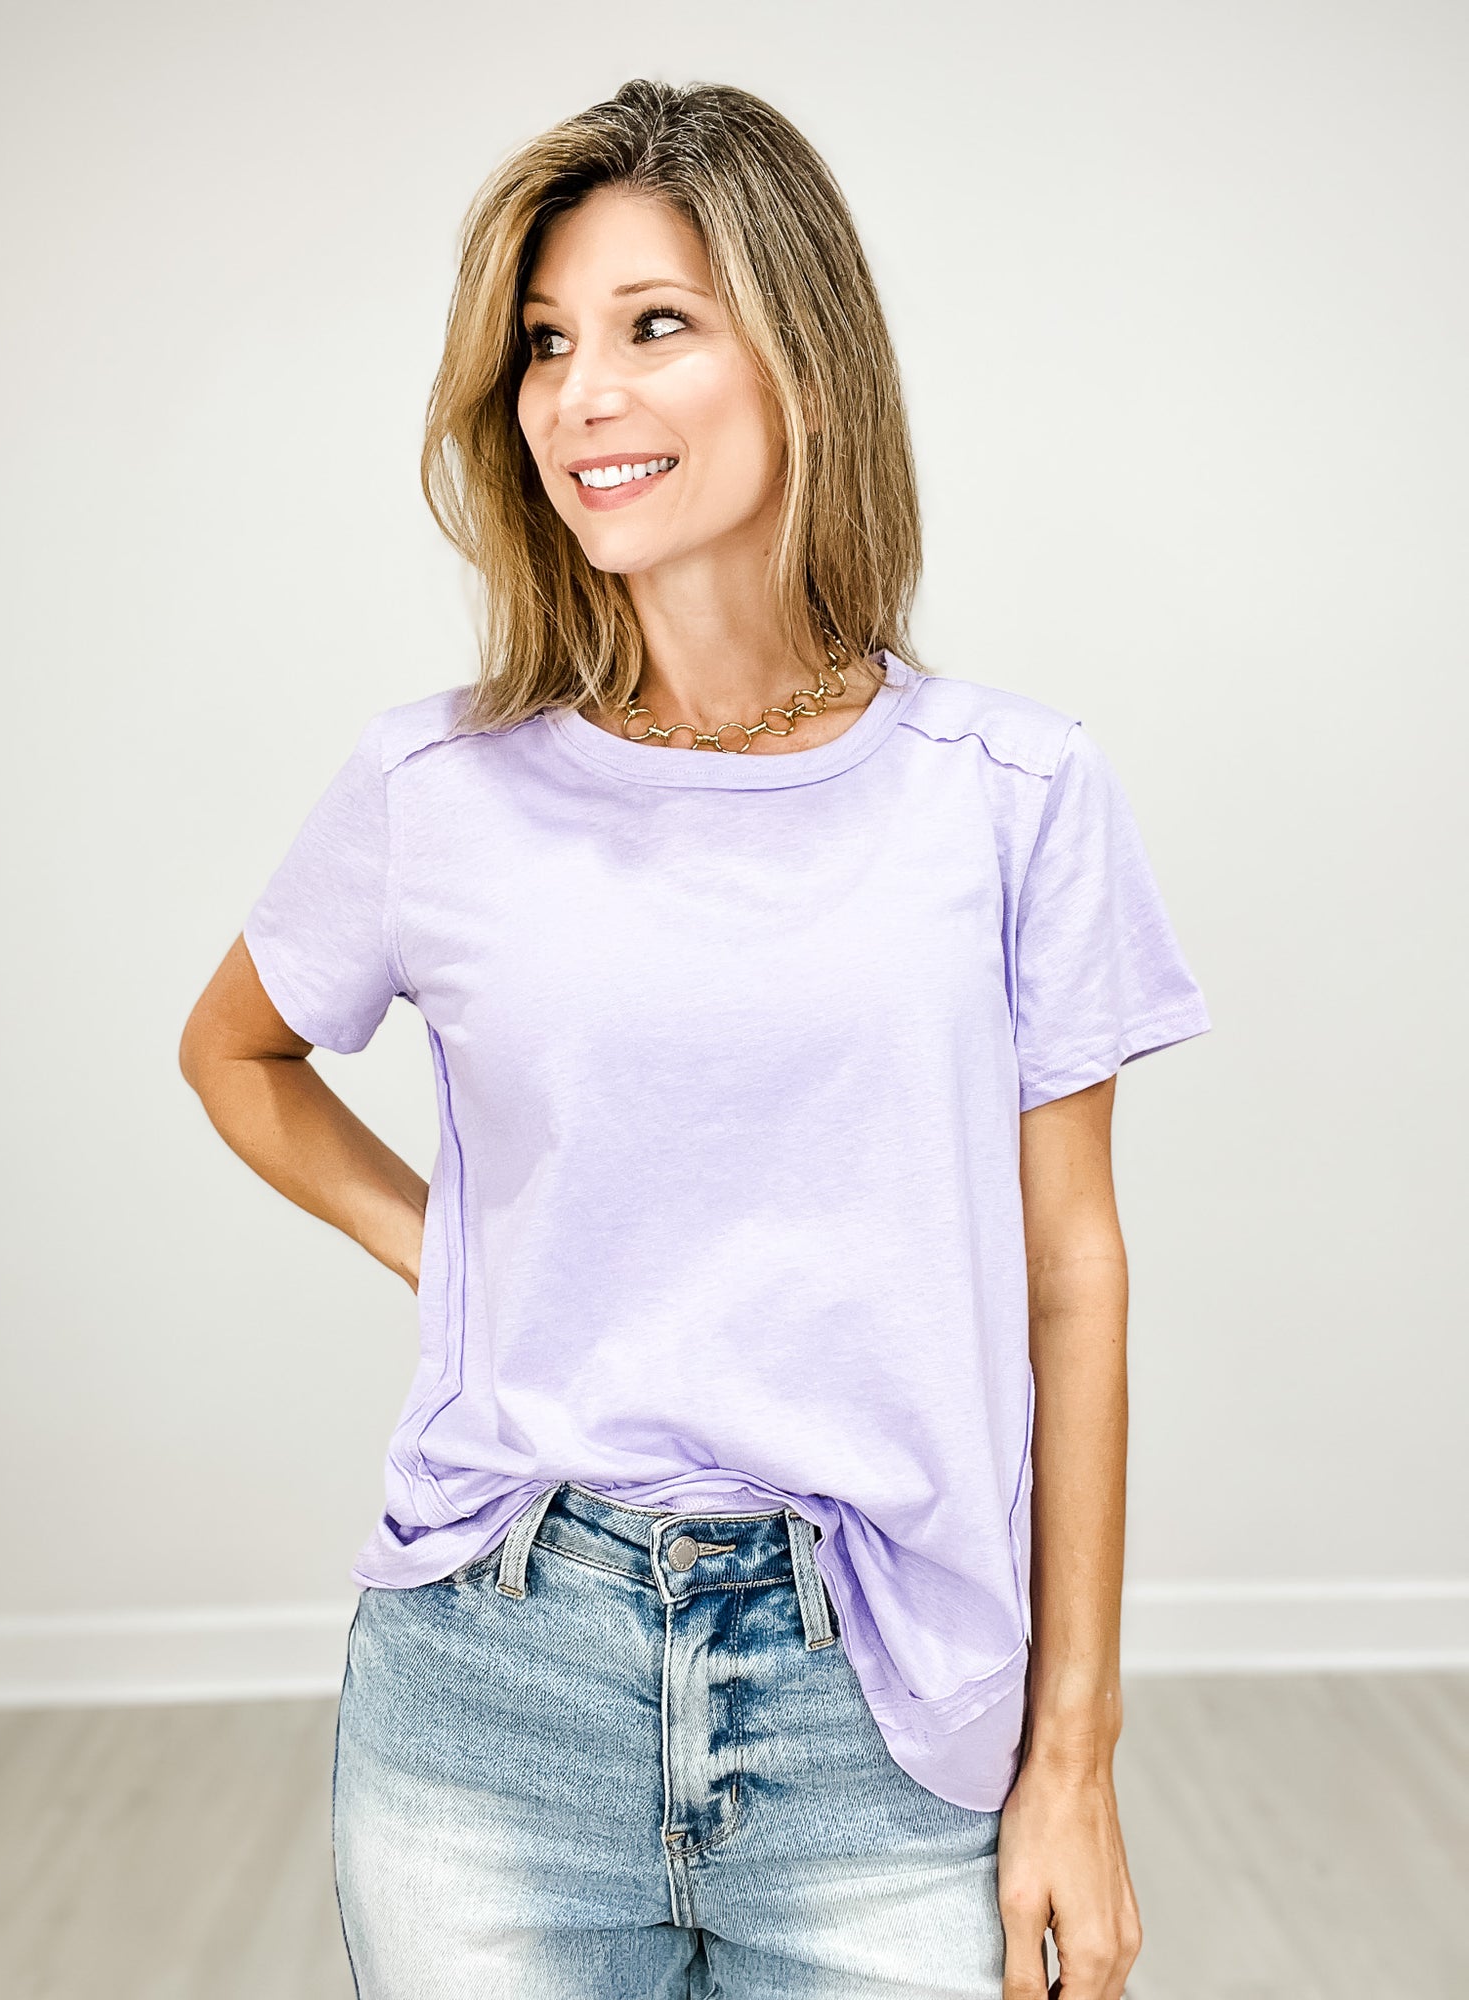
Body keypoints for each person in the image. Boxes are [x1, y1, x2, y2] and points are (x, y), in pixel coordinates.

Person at [179, 76, 1211, 2000]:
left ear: (803, 358)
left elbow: (1073, 1272)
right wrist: (459, 1259)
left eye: (654, 324)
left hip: (883, 1699)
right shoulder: (435, 787)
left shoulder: (1011, 795)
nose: (583, 394)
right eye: (545, 344)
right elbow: (234, 1053)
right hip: (497, 1679)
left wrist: (1075, 1757)